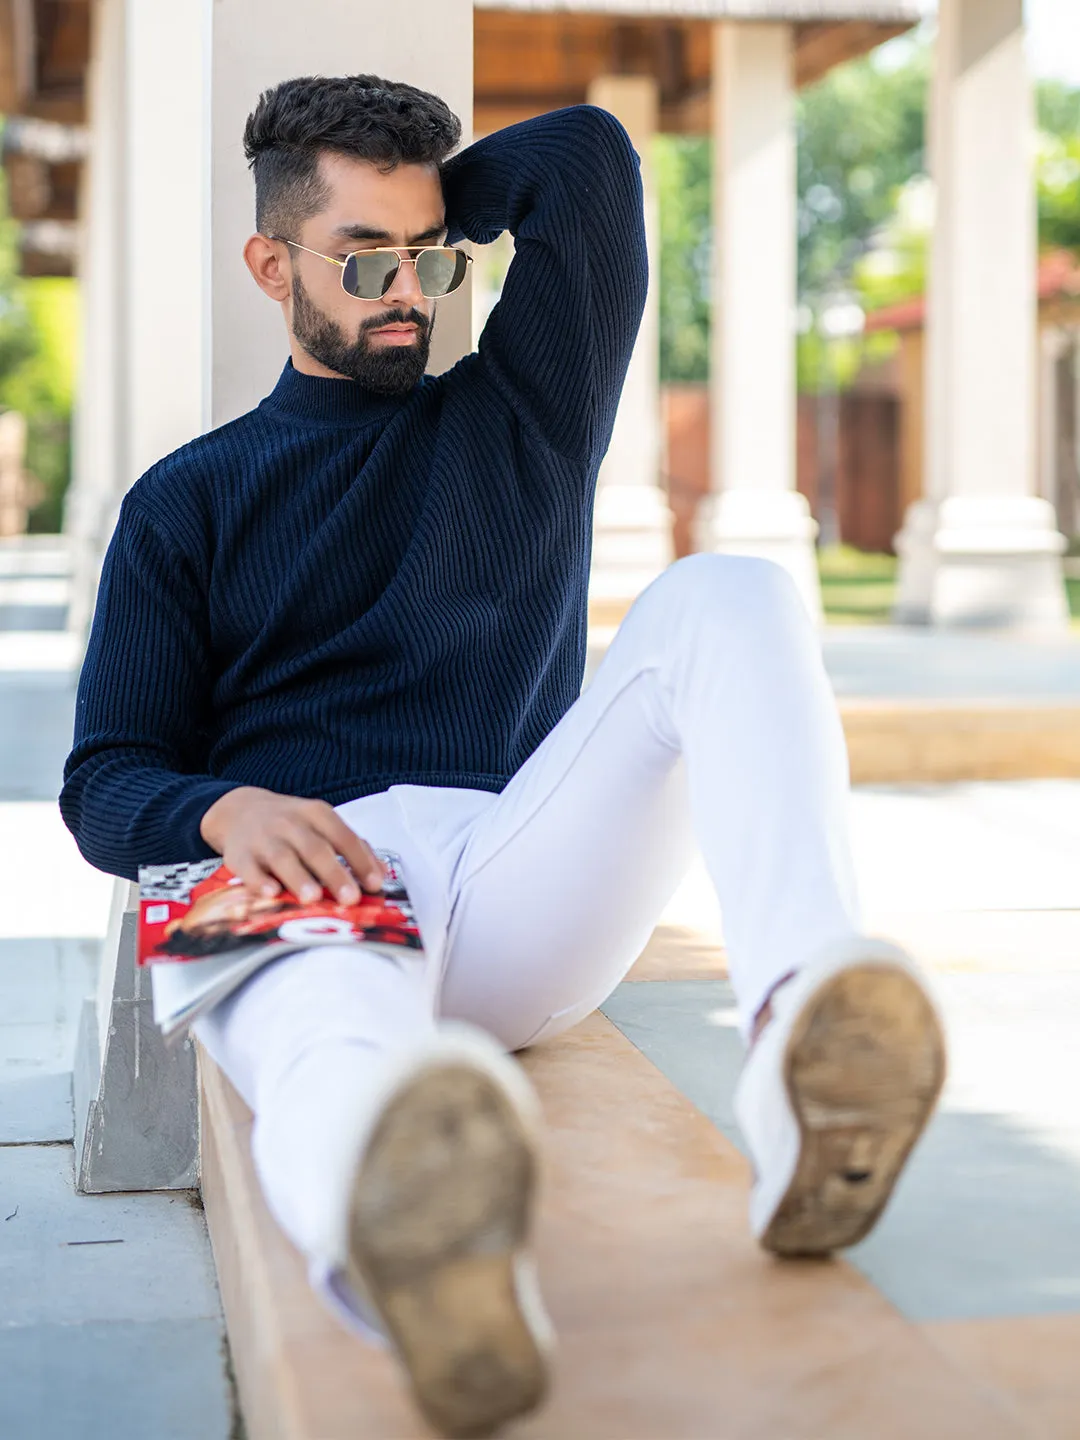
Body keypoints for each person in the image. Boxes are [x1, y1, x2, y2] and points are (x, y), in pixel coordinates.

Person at [61, 74, 946, 1439]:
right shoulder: (187, 500)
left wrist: (406, 209)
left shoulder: (518, 419)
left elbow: (588, 164)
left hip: (513, 857)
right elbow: (105, 777)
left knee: (737, 598)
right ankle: (427, 1254)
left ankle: (802, 1051)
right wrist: (226, 806)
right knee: (333, 1040)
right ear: (269, 264)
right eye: (366, 261)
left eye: (433, 257)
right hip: (305, 889)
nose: (412, 290)